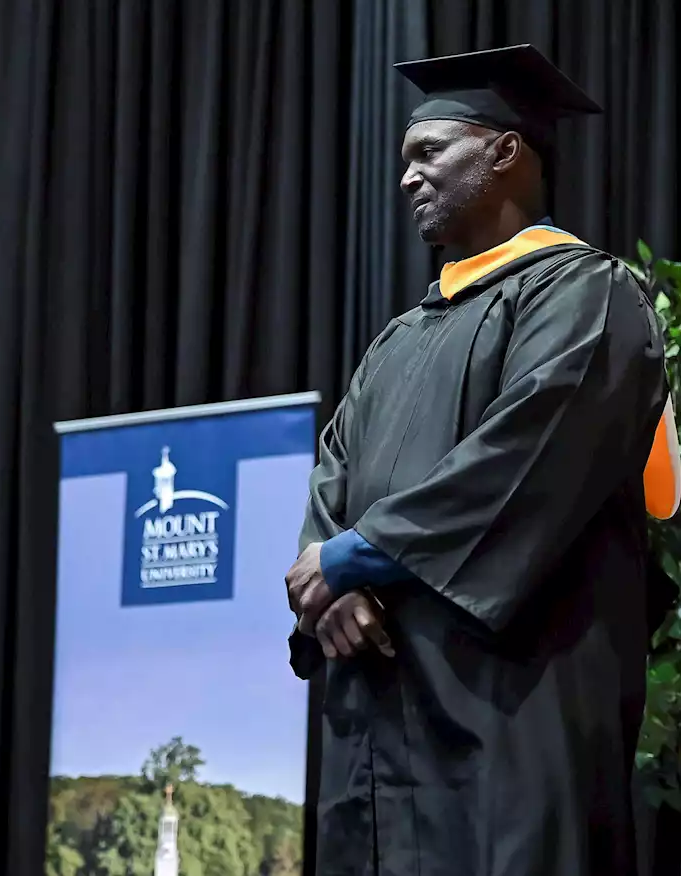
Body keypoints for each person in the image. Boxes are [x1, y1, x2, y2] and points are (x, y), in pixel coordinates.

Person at [284, 45, 679, 876]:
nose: (406, 177)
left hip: (509, 708)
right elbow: (333, 480)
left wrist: (358, 557)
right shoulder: (397, 339)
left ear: (503, 151)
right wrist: (326, 589)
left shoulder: (590, 296)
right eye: (404, 159)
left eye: (429, 153)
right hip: (377, 724)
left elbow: (527, 460)